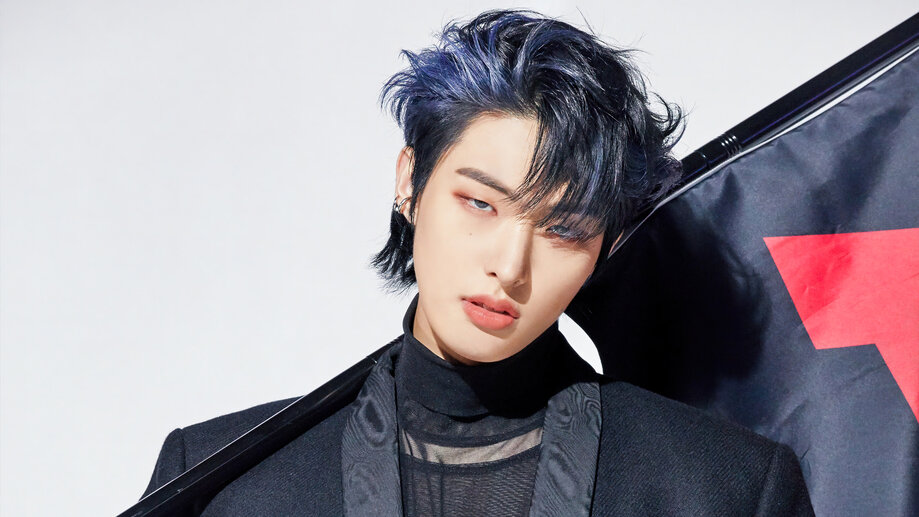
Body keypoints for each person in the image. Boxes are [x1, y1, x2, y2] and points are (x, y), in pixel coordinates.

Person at [140, 9, 814, 516]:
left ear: (605, 248)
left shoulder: (722, 488)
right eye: (480, 203)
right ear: (410, 182)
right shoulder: (218, 481)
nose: (510, 266)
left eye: (564, 229)